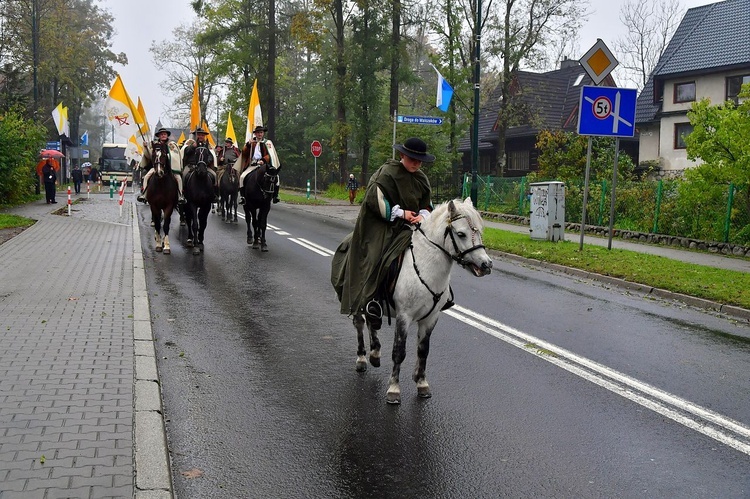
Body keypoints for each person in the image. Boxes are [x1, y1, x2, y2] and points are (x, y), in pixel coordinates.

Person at [331, 137, 435, 328]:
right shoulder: (387, 174)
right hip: (385, 225)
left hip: (412, 226)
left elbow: (427, 204)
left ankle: (437, 297)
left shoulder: (422, 179)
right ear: (403, 155)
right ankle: (371, 301)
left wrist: (421, 216)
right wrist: (401, 213)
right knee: (375, 256)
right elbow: (375, 199)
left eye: (420, 161)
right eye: (413, 159)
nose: (416, 164)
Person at [137, 127, 186, 205]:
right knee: (146, 177)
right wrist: (146, 147)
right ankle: (144, 194)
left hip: (171, 167)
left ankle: (180, 196)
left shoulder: (172, 144)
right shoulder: (154, 145)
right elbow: (149, 156)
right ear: (159, 136)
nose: (163, 135)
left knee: (179, 179)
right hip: (157, 166)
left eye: (164, 134)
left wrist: (168, 157)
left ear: (167, 135)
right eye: (161, 134)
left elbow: (176, 155)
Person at [235, 125, 281, 205]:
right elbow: (244, 153)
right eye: (258, 133)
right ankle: (243, 197)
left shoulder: (268, 142)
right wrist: (248, 145)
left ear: (263, 133)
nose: (260, 134)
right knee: (242, 177)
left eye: (261, 132)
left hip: (264, 165)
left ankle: (275, 195)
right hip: (253, 164)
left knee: (276, 177)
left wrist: (263, 160)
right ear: (255, 134)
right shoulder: (251, 142)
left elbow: (270, 155)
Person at [181, 126, 218, 202]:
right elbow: (186, 152)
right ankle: (183, 195)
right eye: (199, 134)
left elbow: (210, 156)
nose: (201, 136)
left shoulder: (207, 145)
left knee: (214, 175)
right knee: (184, 176)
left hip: (203, 166)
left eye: (202, 135)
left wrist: (205, 162)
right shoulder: (190, 143)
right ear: (196, 135)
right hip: (191, 166)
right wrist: (192, 147)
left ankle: (214, 194)